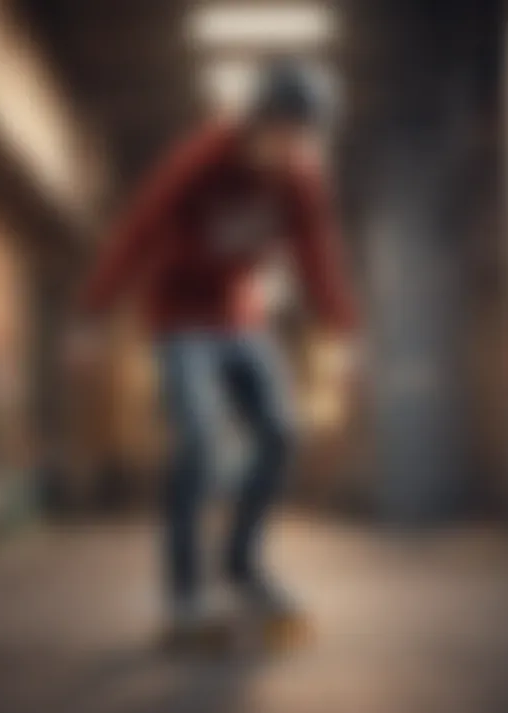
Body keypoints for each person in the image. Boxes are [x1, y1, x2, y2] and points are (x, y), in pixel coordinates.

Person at [73, 61, 358, 646]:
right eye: (282, 131)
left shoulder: (300, 182)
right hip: (179, 319)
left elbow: (317, 260)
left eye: (301, 137)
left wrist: (345, 332)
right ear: (256, 120)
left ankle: (241, 564)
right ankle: (184, 594)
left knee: (280, 432)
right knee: (199, 440)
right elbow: (137, 231)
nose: (289, 147)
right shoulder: (199, 161)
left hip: (240, 319)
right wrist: (94, 315)